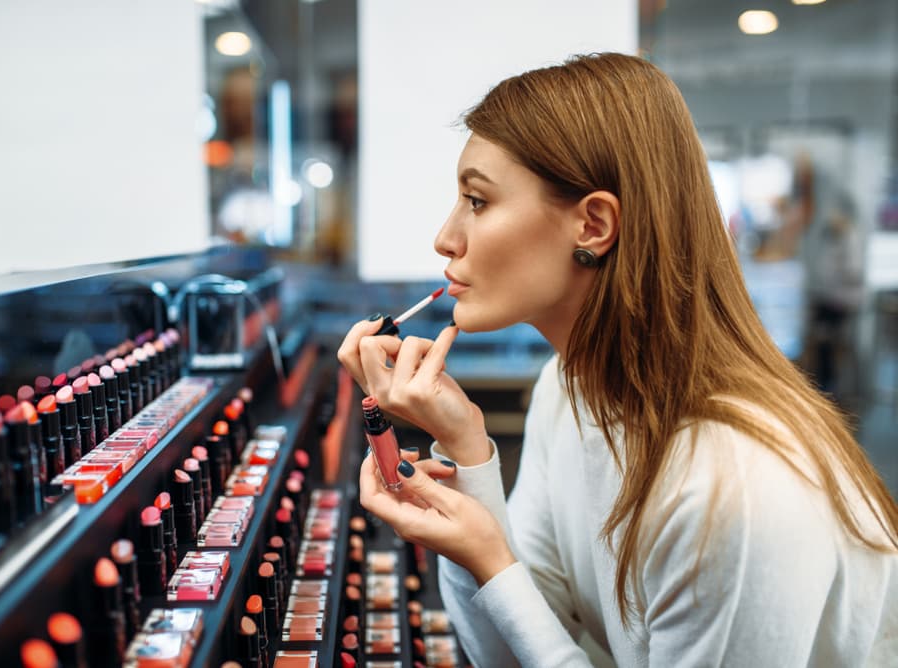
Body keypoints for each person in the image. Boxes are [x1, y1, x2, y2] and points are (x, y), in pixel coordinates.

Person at [337, 53, 898, 667]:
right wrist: (465, 449)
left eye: (477, 200)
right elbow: (509, 650)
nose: (445, 238)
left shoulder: (732, 488)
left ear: (594, 224)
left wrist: (491, 559)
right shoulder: (568, 388)